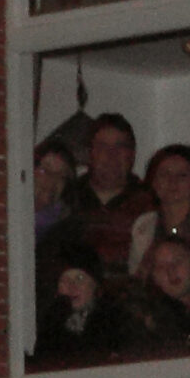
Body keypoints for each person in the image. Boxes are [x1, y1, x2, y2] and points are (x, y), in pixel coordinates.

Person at [67, 112, 156, 277]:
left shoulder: (150, 202)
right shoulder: (67, 197)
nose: (111, 155)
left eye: (120, 147)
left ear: (132, 155)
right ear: (90, 154)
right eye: (102, 147)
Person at [128, 143, 190, 276]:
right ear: (153, 182)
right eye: (164, 174)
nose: (172, 181)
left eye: (182, 175)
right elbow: (137, 278)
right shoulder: (143, 226)